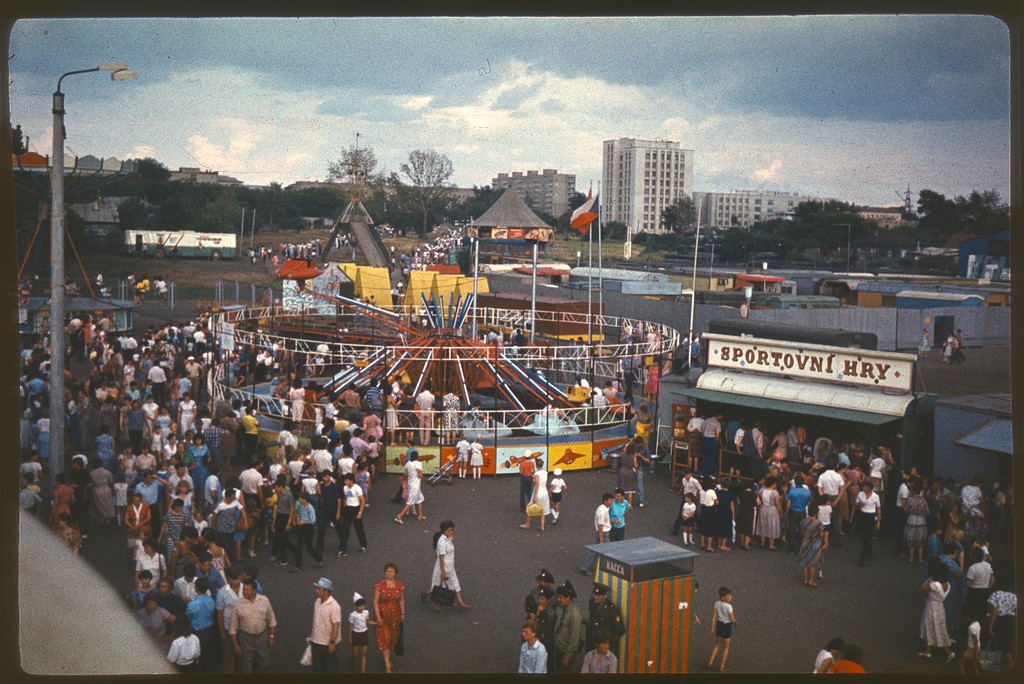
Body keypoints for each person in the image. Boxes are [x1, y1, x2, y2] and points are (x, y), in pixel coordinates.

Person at [229, 579, 276, 673]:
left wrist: (271, 637)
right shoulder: (238, 605)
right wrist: (236, 645)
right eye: (243, 590)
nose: (244, 592)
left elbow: (272, 621)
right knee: (247, 664)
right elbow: (233, 628)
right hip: (245, 638)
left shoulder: (264, 600)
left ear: (254, 590)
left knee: (265, 661)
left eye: (247, 590)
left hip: (262, 637)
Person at [426, 520, 471, 611]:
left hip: (450, 566)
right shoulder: (442, 543)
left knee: (455, 582)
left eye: (452, 530)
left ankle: (460, 602)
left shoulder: (447, 538)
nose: (451, 532)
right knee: (437, 586)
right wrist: (443, 573)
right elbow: (441, 558)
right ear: (444, 530)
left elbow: (450, 540)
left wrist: (450, 537)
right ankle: (430, 600)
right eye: (449, 530)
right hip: (443, 567)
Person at [918, 560, 955, 663]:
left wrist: (929, 578)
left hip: (932, 607)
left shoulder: (935, 584)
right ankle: (928, 650)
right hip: (940, 607)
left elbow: (923, 588)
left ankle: (948, 652)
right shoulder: (947, 584)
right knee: (936, 627)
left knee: (931, 627)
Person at [373, 562, 405, 674]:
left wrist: (403, 614)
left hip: (394, 616)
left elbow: (401, 600)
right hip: (383, 615)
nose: (389, 573)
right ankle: (387, 662)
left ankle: (387, 657)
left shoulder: (399, 585)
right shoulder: (379, 585)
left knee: (392, 637)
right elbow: (375, 601)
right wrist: (377, 616)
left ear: (395, 573)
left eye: (391, 571)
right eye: (387, 571)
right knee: (385, 637)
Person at [308, 577, 341, 673]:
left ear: (326, 591)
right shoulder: (317, 602)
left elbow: (336, 625)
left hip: (326, 643)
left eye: (318, 589)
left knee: (331, 666)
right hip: (316, 640)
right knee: (317, 666)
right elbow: (316, 621)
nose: (316, 591)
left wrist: (332, 642)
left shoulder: (334, 606)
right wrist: (312, 636)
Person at [289, 489, 325, 572]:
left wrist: (303, 522)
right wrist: (298, 519)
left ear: (305, 499)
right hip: (301, 528)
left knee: (309, 547)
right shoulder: (301, 506)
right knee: (298, 547)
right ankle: (298, 565)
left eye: (301, 498)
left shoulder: (310, 508)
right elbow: (300, 514)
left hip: (308, 528)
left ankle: (319, 559)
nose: (299, 500)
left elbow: (313, 520)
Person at [585, 583, 625, 658]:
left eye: (599, 595)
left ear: (605, 595)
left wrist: (607, 641)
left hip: (603, 646)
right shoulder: (592, 602)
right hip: (592, 642)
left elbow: (620, 630)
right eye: (594, 594)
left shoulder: (611, 610)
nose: (596, 597)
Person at [553, 582, 584, 673]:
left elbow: (574, 637)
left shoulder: (574, 614)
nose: (558, 599)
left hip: (565, 651)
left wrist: (567, 656)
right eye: (558, 597)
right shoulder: (566, 609)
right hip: (560, 647)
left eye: (561, 598)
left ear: (568, 598)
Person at [579, 493, 613, 575]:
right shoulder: (602, 512)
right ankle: (607, 570)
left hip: (603, 533)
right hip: (604, 534)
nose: (611, 502)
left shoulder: (603, 509)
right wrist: (601, 540)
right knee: (608, 551)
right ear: (605, 501)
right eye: (610, 501)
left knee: (595, 551)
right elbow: (600, 526)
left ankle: (585, 566)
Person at [986, 577, 1016, 669]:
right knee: (1006, 645)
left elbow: (993, 613)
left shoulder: (996, 595)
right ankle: (1009, 665)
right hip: (1010, 621)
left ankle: (994, 666)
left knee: (997, 644)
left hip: (999, 621)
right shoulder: (1014, 596)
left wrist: (990, 627)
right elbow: (1015, 611)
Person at [706, 586, 737, 672]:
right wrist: (736, 623)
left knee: (717, 645)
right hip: (727, 627)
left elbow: (714, 616)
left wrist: (712, 627)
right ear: (723, 597)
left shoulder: (717, 603)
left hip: (719, 625)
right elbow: (732, 618)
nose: (731, 597)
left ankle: (710, 663)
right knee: (726, 647)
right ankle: (721, 667)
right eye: (729, 596)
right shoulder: (729, 606)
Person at [337, 472, 368, 555]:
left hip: (356, 509)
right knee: (345, 530)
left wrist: (360, 513)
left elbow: (363, 501)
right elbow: (345, 498)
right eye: (345, 480)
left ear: (351, 480)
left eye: (347, 480)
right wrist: (344, 508)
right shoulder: (345, 488)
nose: (345, 482)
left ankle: (364, 545)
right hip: (347, 509)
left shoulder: (357, 488)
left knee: (359, 529)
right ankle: (343, 549)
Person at [854, 480, 881, 566]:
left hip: (870, 517)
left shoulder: (875, 496)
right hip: (862, 516)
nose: (863, 488)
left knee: (867, 536)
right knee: (863, 535)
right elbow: (856, 504)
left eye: (865, 487)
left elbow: (878, 509)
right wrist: (859, 505)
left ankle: (862, 558)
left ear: (869, 488)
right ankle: (868, 549)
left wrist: (878, 521)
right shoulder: (860, 494)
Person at [798, 503, 825, 587]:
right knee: (813, 562)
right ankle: (811, 580)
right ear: (816, 512)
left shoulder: (803, 521)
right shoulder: (819, 523)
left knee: (805, 561)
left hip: (805, 542)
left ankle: (805, 579)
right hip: (815, 544)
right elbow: (821, 535)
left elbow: (802, 532)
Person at [521, 456, 550, 531]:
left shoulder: (537, 474)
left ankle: (528, 523)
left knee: (530, 507)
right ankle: (542, 525)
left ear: (536, 465)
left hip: (538, 491)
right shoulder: (545, 473)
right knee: (543, 508)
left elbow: (537, 484)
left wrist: (534, 496)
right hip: (544, 491)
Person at [394, 451, 425, 524]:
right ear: (417, 457)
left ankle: (420, 514)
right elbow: (420, 475)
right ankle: (399, 516)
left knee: (420, 498)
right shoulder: (418, 463)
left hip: (410, 483)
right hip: (416, 484)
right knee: (410, 502)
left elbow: (405, 474)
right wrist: (421, 475)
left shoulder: (408, 463)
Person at [349, 595, 375, 673]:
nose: (362, 608)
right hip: (355, 634)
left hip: (364, 634)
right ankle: (352, 659)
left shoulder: (366, 612)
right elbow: (350, 626)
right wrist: (350, 638)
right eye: (360, 606)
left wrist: (376, 623)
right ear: (356, 606)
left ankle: (363, 670)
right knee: (355, 653)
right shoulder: (352, 615)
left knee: (364, 653)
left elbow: (367, 621)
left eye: (363, 605)